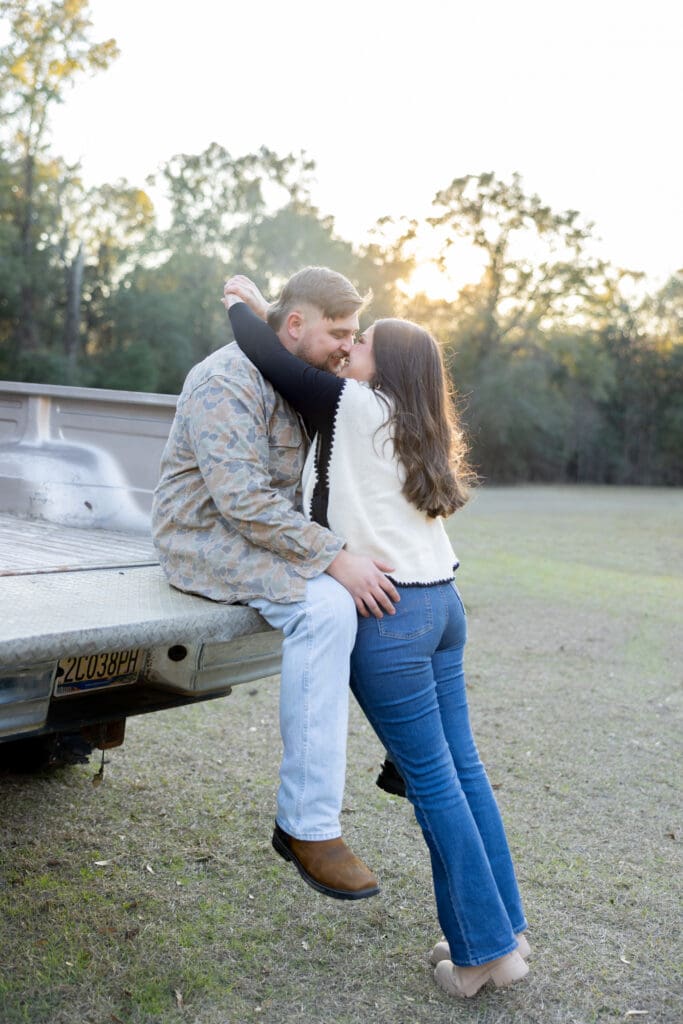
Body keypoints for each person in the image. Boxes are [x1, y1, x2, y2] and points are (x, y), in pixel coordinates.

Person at [223, 275, 530, 1000]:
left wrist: (241, 300)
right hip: (442, 607)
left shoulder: (354, 404)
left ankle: (483, 952)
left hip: (391, 620)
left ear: (381, 367)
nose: (349, 348)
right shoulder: (416, 421)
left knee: (434, 784)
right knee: (462, 772)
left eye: (360, 342)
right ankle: (506, 932)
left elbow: (271, 358)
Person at [152, 267, 401, 902]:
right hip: (202, 537)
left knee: (386, 584)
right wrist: (333, 557)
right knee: (327, 608)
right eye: (338, 332)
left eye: (353, 334)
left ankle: (407, 750)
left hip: (262, 535)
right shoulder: (223, 380)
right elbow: (240, 501)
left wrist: (348, 556)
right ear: (295, 327)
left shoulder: (303, 368)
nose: (348, 345)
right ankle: (306, 827)